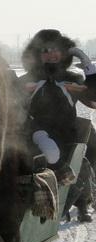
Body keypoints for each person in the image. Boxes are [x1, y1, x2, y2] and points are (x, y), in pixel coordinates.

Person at [19, 30, 96, 222]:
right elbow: (12, 110)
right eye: (45, 50)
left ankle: (83, 200)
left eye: (56, 49)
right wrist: (35, 132)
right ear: (37, 54)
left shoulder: (72, 79)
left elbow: (94, 99)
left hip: (66, 142)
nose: (51, 54)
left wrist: (88, 65)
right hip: (32, 143)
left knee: (84, 155)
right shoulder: (26, 80)